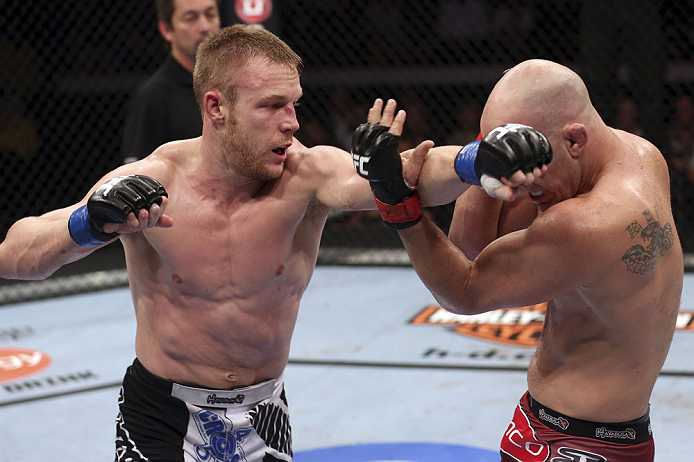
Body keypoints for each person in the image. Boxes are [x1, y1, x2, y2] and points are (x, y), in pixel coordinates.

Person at [0, 25, 550, 462]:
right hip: (160, 418)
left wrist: (478, 160)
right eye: (271, 107)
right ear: (216, 108)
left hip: (264, 413)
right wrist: (87, 225)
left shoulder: (306, 175)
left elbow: (410, 172)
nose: (291, 124)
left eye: (294, 104)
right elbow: (16, 253)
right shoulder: (155, 180)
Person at [354, 59, 683, 461]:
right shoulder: (640, 154)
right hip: (595, 429)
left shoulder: (584, 226)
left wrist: (395, 203)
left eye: (532, 163)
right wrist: (480, 159)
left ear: (575, 141)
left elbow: (464, 288)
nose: (526, 181)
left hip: (571, 443)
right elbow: (472, 244)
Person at [122, 0, 220, 164]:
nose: (205, 27)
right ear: (167, 30)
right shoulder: (153, 96)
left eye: (210, 15)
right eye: (191, 18)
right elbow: (136, 175)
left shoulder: (234, 85)